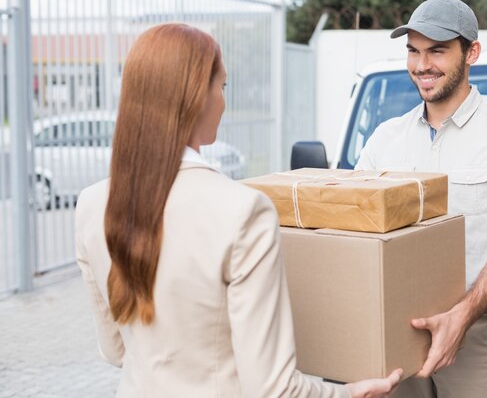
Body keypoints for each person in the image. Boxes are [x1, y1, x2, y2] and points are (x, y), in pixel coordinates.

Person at [75, 23, 402, 398]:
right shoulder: (243, 211)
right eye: (223, 86)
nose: (223, 100)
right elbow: (274, 388)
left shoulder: (90, 203)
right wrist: (351, 393)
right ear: (198, 95)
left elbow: (115, 350)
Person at [355, 0, 487, 398]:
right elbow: (356, 231)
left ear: (471, 51)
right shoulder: (384, 139)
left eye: (437, 51)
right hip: (395, 330)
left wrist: (460, 317)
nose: (422, 65)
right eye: (413, 51)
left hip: (476, 330)